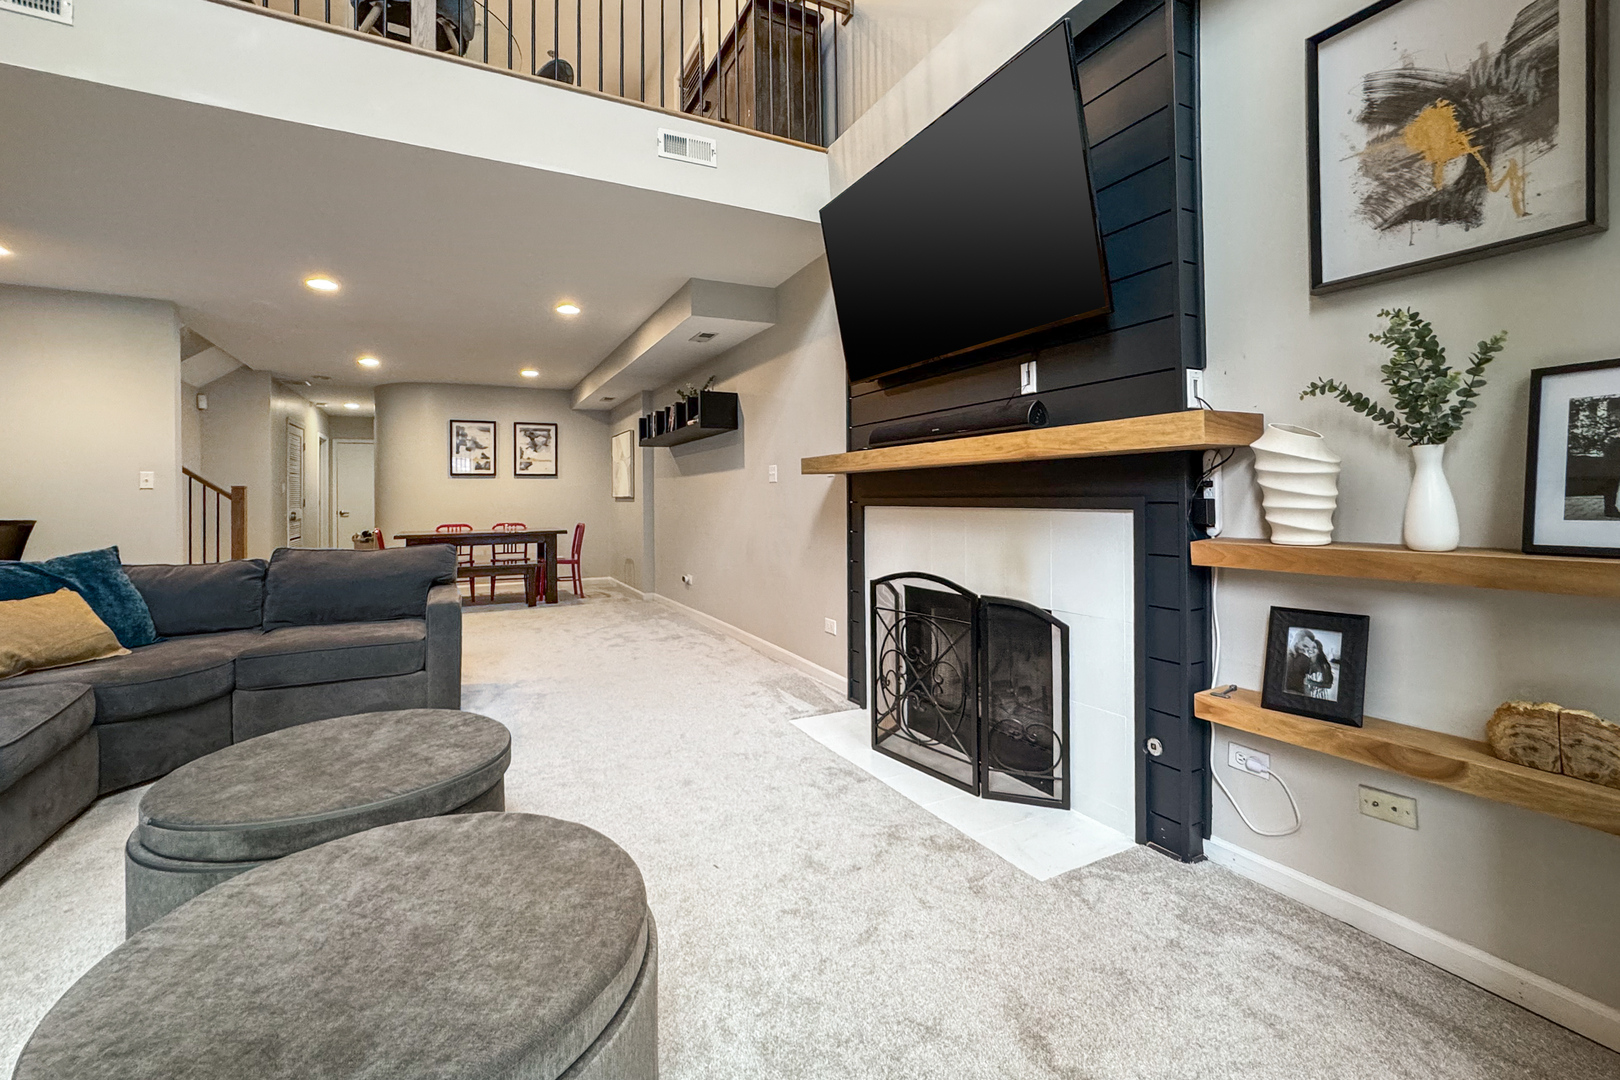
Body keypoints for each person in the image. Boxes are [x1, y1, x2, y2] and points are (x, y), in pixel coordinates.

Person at [1284, 631, 1335, 699]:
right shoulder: (1305, 661)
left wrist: (1311, 682)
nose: (1310, 649)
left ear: (1319, 650)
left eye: (1314, 647)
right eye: (1308, 647)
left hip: (1319, 697)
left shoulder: (1324, 665)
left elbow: (1329, 685)